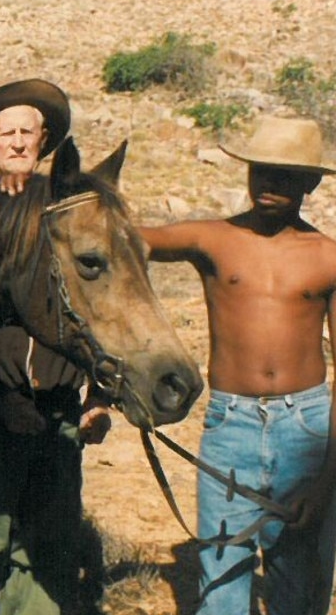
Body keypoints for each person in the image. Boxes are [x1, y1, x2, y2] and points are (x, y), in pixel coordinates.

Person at [141, 115, 336, 615]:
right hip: (232, 425)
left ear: (310, 182)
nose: (270, 183)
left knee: (301, 582)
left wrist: (326, 477)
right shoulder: (212, 239)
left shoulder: (327, 256)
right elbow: (126, 240)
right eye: (261, 170)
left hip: (307, 429)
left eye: (286, 174)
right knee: (221, 577)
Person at [0, 79, 113, 614]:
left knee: (48, 548)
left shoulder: (69, 209)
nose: (16, 142)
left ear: (44, 142)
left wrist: (100, 396)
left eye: (27, 133)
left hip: (59, 414)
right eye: (5, 133)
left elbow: (105, 303)